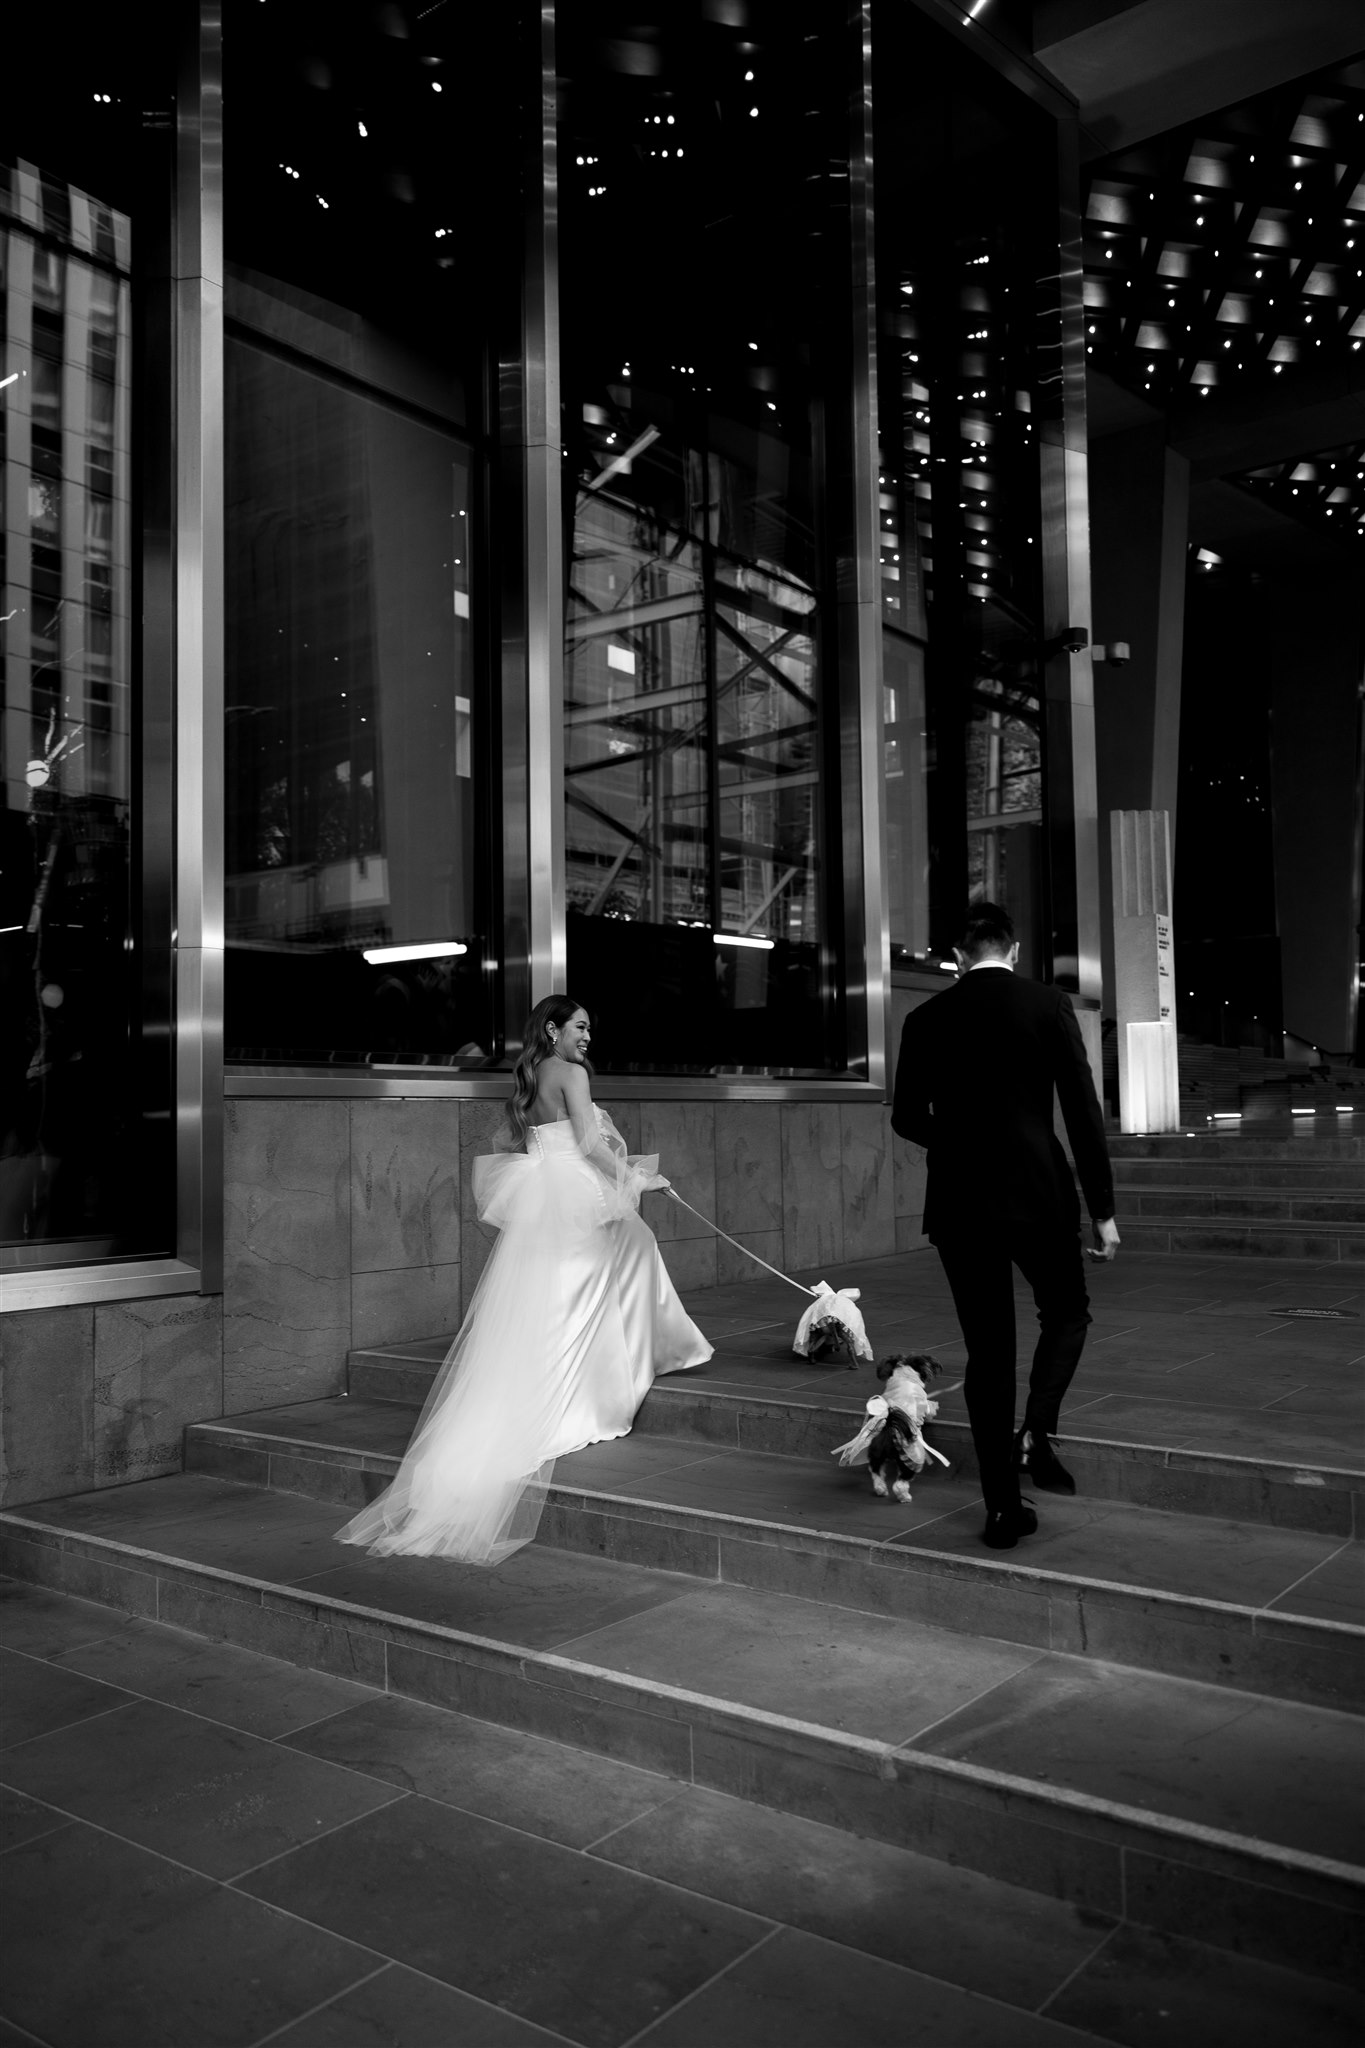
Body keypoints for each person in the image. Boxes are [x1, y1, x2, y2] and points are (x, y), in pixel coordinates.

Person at [337, 995, 713, 1566]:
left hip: (544, 1189)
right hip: (574, 1188)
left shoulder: (533, 1072)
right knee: (600, 1274)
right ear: (554, 1029)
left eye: (591, 1029)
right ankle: (629, 1367)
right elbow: (589, 1144)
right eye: (580, 1026)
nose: (588, 1036)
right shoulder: (571, 1073)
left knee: (571, 1284)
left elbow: (544, 1138)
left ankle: (651, 1348)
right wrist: (638, 1179)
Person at [891, 903, 1119, 1550]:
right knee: (1066, 1312)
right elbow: (1082, 1112)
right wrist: (1102, 1210)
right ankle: (1035, 1431)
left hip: (960, 1203)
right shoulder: (1047, 1005)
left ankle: (1001, 1511)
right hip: (1038, 1194)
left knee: (989, 1352)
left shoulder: (926, 1016)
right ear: (1013, 951)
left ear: (956, 958)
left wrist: (959, 1142)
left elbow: (906, 1117)